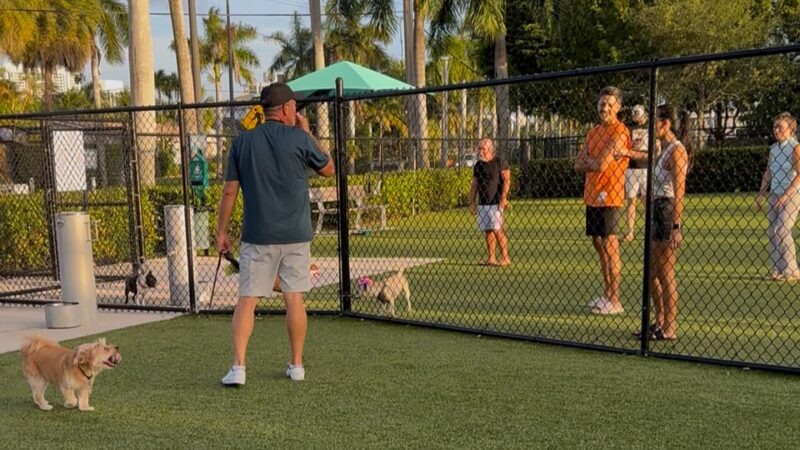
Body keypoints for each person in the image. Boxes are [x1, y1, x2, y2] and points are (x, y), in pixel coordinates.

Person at [217, 82, 335, 386]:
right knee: (294, 299)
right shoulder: (299, 138)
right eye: (294, 105)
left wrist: (221, 232)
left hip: (257, 236)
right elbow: (329, 169)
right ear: (285, 109)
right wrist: (307, 132)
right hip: (296, 235)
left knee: (247, 300)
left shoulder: (242, 143)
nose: (296, 109)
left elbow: (230, 191)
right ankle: (296, 365)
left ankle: (238, 367)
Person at [574, 86, 631, 315]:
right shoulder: (593, 132)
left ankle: (615, 299)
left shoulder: (620, 133)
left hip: (611, 194)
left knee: (610, 244)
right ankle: (607, 293)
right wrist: (592, 160)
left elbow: (601, 165)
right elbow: (577, 164)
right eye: (601, 103)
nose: (604, 107)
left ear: (618, 107)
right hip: (592, 194)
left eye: (609, 104)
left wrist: (591, 159)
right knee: (598, 243)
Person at [637, 104, 690, 341]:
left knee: (665, 270)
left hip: (667, 211)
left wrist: (676, 226)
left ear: (665, 123)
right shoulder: (663, 149)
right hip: (656, 209)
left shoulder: (677, 152)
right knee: (651, 271)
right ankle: (658, 320)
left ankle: (670, 326)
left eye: (654, 121)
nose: (650, 126)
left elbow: (679, 192)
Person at [756, 112, 800, 282]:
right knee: (773, 232)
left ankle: (791, 269)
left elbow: (799, 175)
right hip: (774, 193)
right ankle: (776, 269)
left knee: (783, 229)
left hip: (792, 194)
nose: (776, 130)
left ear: (790, 129)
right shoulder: (773, 149)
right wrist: (761, 194)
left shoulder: (795, 147)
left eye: (780, 127)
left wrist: (786, 195)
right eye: (775, 126)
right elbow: (768, 172)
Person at [469, 138, 511, 266]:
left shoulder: (499, 162)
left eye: (483, 149)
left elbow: (507, 181)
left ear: (490, 149)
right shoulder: (478, 165)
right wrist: (472, 202)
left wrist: (503, 198)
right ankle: (491, 258)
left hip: (495, 203)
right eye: (479, 148)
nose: (480, 151)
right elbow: (474, 185)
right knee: (488, 230)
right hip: (483, 203)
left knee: (498, 230)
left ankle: (505, 258)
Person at [623, 105, 655, 242]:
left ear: (644, 115)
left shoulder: (651, 127)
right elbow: (624, 146)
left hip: (646, 167)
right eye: (634, 115)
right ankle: (630, 232)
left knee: (647, 200)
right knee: (631, 200)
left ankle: (652, 229)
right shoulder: (629, 128)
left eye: (639, 115)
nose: (637, 118)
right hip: (632, 167)